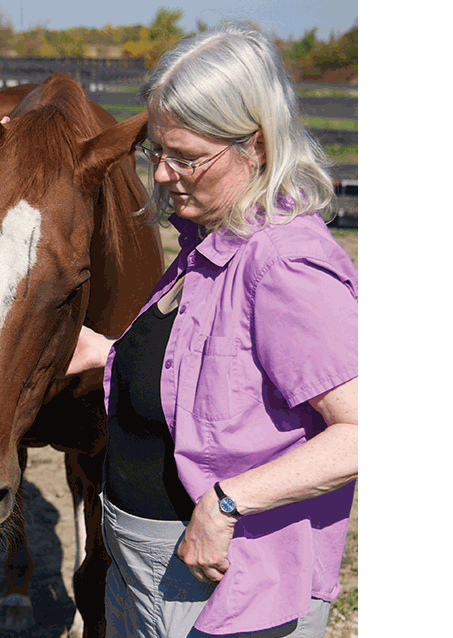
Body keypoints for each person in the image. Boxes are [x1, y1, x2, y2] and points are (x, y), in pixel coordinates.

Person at [66, 23, 358, 638]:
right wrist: (112, 352)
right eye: (156, 152)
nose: (164, 174)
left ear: (255, 145)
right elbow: (210, 369)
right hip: (145, 571)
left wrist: (228, 503)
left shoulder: (283, 265)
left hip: (222, 588)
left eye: (186, 157)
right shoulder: (206, 242)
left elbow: (355, 430)